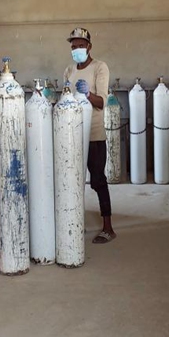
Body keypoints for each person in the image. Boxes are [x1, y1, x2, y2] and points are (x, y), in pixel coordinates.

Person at [64, 27, 116, 244]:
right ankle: (74, 222)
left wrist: (87, 93)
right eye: (74, 47)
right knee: (71, 180)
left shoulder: (99, 67)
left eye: (81, 46)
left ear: (89, 46)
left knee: (97, 180)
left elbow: (102, 102)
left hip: (93, 134)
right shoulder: (69, 70)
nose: (77, 49)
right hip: (72, 133)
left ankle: (108, 227)